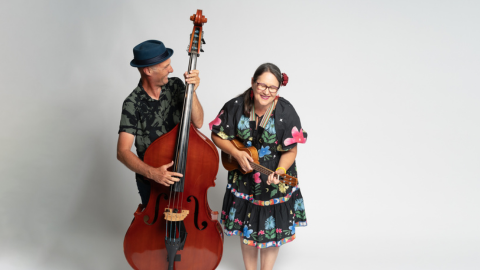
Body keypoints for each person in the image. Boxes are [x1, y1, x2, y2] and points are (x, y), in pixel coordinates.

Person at [209, 63, 308, 270]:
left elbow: (291, 150)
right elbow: (217, 134)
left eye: (273, 88)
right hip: (243, 176)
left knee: (273, 230)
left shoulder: (285, 110)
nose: (267, 91)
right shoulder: (235, 105)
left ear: (278, 89)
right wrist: (236, 153)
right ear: (253, 82)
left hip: (275, 174)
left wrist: (280, 171)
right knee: (248, 228)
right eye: (262, 85)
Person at [117, 40, 204, 207]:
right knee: (155, 232)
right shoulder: (132, 103)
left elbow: (198, 122)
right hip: (152, 183)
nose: (171, 70)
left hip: (185, 175)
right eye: (166, 67)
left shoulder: (176, 86)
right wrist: (153, 173)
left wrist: (191, 91)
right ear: (148, 70)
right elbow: (122, 151)